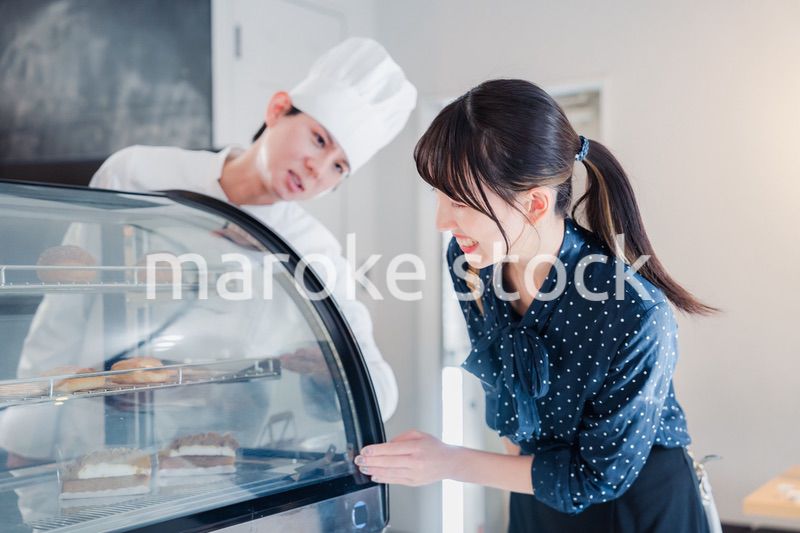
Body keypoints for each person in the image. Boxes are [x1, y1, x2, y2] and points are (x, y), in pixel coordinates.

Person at [353, 79, 716, 532]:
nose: (442, 222)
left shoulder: (634, 312)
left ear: (535, 203)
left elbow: (596, 479)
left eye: (461, 202)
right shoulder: (470, 263)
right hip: (537, 490)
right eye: (439, 196)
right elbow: (505, 392)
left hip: (635, 508)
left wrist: (445, 461)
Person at [15, 37, 416, 426]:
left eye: (338, 167)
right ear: (278, 109)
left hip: (221, 459)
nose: (318, 168)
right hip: (97, 435)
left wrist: (330, 366)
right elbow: (65, 308)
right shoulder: (137, 173)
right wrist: (23, 434)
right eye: (318, 139)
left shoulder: (313, 250)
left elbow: (381, 394)